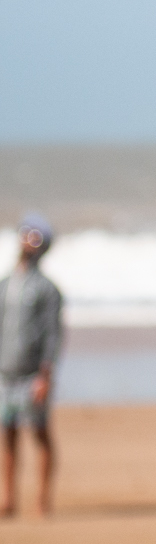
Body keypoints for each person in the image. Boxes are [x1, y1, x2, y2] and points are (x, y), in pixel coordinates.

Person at [2, 214, 64, 518]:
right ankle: (8, 498)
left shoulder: (49, 291)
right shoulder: (5, 285)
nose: (28, 242)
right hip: (5, 374)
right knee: (7, 433)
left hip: (32, 375)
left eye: (35, 238)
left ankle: (42, 499)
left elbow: (53, 335)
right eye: (26, 235)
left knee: (38, 432)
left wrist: (45, 376)